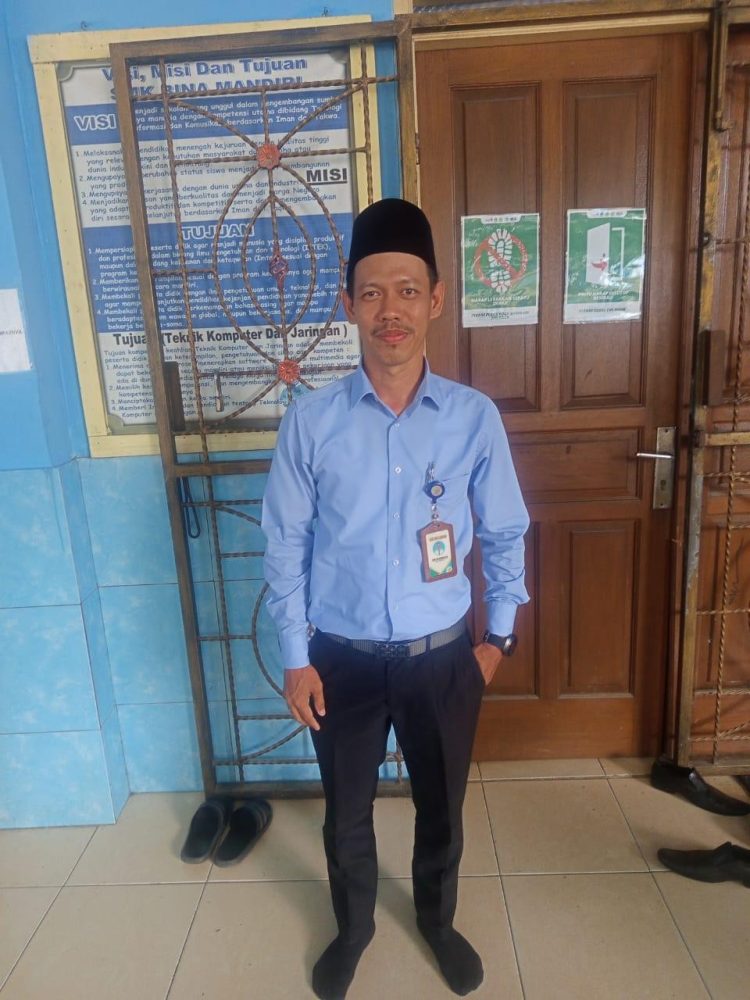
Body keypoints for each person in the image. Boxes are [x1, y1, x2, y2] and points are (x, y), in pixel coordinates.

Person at [261, 198, 529, 999]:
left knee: (441, 811)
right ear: (347, 304)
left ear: (435, 299)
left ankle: (437, 923)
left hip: (442, 660)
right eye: (372, 292)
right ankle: (353, 930)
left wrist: (497, 639)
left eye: (408, 291)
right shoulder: (310, 424)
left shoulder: (474, 420)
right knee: (345, 814)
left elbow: (506, 531)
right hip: (339, 661)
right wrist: (296, 658)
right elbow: (284, 545)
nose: (391, 311)